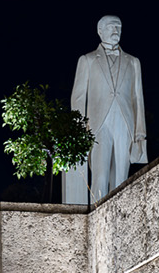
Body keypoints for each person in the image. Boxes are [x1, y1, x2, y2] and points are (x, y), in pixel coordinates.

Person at [62, 15, 147, 203]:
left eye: (119, 26)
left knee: (122, 176)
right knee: (99, 174)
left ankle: (122, 212)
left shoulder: (133, 62)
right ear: (100, 31)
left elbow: (137, 97)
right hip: (98, 124)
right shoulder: (87, 60)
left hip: (125, 122)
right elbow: (78, 98)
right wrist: (78, 131)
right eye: (111, 27)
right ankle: (98, 213)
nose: (116, 30)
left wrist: (139, 133)